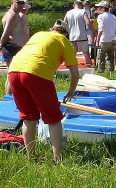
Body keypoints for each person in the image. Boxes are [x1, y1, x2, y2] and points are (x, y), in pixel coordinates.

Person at [8, 19, 79, 163]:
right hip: (36, 72)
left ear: (52, 28)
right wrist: (71, 92)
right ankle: (57, 158)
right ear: (65, 34)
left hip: (13, 71)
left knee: (28, 117)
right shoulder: (63, 41)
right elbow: (75, 73)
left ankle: (31, 157)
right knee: (53, 118)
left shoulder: (38, 34)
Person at [0, 0, 30, 94]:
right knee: (11, 74)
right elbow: (6, 34)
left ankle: (12, 96)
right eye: (19, 3)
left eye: (22, 3)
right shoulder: (12, 16)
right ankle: (8, 98)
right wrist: (1, 44)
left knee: (14, 74)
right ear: (12, 2)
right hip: (12, 47)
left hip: (15, 47)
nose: (21, 5)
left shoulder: (16, 15)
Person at [64, 0, 94, 67]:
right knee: (86, 54)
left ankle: (69, 68)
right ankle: (89, 66)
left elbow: (64, 24)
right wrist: (94, 32)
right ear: (81, 5)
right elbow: (88, 23)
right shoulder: (83, 12)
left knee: (72, 54)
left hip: (72, 37)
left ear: (74, 5)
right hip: (82, 36)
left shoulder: (68, 13)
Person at [95, 1, 116, 73]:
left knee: (101, 58)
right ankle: (111, 72)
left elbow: (101, 29)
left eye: (99, 7)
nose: (97, 8)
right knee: (110, 58)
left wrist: (97, 40)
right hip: (112, 40)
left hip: (103, 40)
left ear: (102, 8)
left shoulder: (101, 16)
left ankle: (101, 72)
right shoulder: (113, 16)